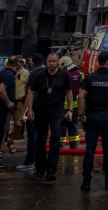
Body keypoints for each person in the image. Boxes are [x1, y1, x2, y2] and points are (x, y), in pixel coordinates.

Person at [77, 51, 108, 192]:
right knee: (107, 150)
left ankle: (86, 182)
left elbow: (80, 96)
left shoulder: (90, 77)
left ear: (98, 62)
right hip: (107, 118)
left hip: (92, 116)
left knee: (90, 150)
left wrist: (80, 114)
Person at [24, 53, 74, 181]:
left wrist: (70, 110)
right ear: (46, 62)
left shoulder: (63, 75)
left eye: (54, 61)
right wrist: (29, 110)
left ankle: (51, 171)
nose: (52, 63)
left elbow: (68, 92)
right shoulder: (40, 75)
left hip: (56, 111)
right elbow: (31, 92)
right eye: (49, 61)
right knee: (40, 139)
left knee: (56, 138)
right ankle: (40, 169)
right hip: (40, 110)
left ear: (58, 62)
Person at [16, 54, 46, 171]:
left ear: (32, 62)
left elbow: (30, 94)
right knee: (41, 136)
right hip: (45, 109)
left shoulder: (33, 74)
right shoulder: (46, 71)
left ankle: (30, 161)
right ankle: (40, 161)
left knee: (32, 136)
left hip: (35, 109)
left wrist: (24, 113)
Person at [58, 56, 82, 149]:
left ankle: (60, 146)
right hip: (75, 105)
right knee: (74, 126)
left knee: (61, 127)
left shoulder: (62, 75)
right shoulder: (80, 74)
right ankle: (75, 146)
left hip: (62, 105)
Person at [7, 55, 28, 154]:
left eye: (20, 62)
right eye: (17, 62)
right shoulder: (8, 72)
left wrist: (27, 106)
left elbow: (28, 90)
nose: (19, 64)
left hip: (19, 102)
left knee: (18, 124)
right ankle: (1, 146)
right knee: (5, 125)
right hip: (8, 102)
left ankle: (11, 140)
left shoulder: (26, 73)